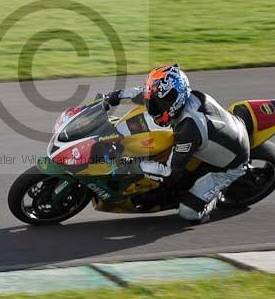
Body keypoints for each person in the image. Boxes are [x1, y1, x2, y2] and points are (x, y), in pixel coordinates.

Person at [104, 64, 250, 223]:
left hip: (230, 165)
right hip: (219, 136)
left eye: (159, 104)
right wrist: (114, 97)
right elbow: (145, 93)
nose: (153, 107)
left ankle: (215, 197)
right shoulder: (178, 99)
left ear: (175, 100)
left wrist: (131, 164)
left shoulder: (189, 129)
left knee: (188, 213)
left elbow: (169, 173)